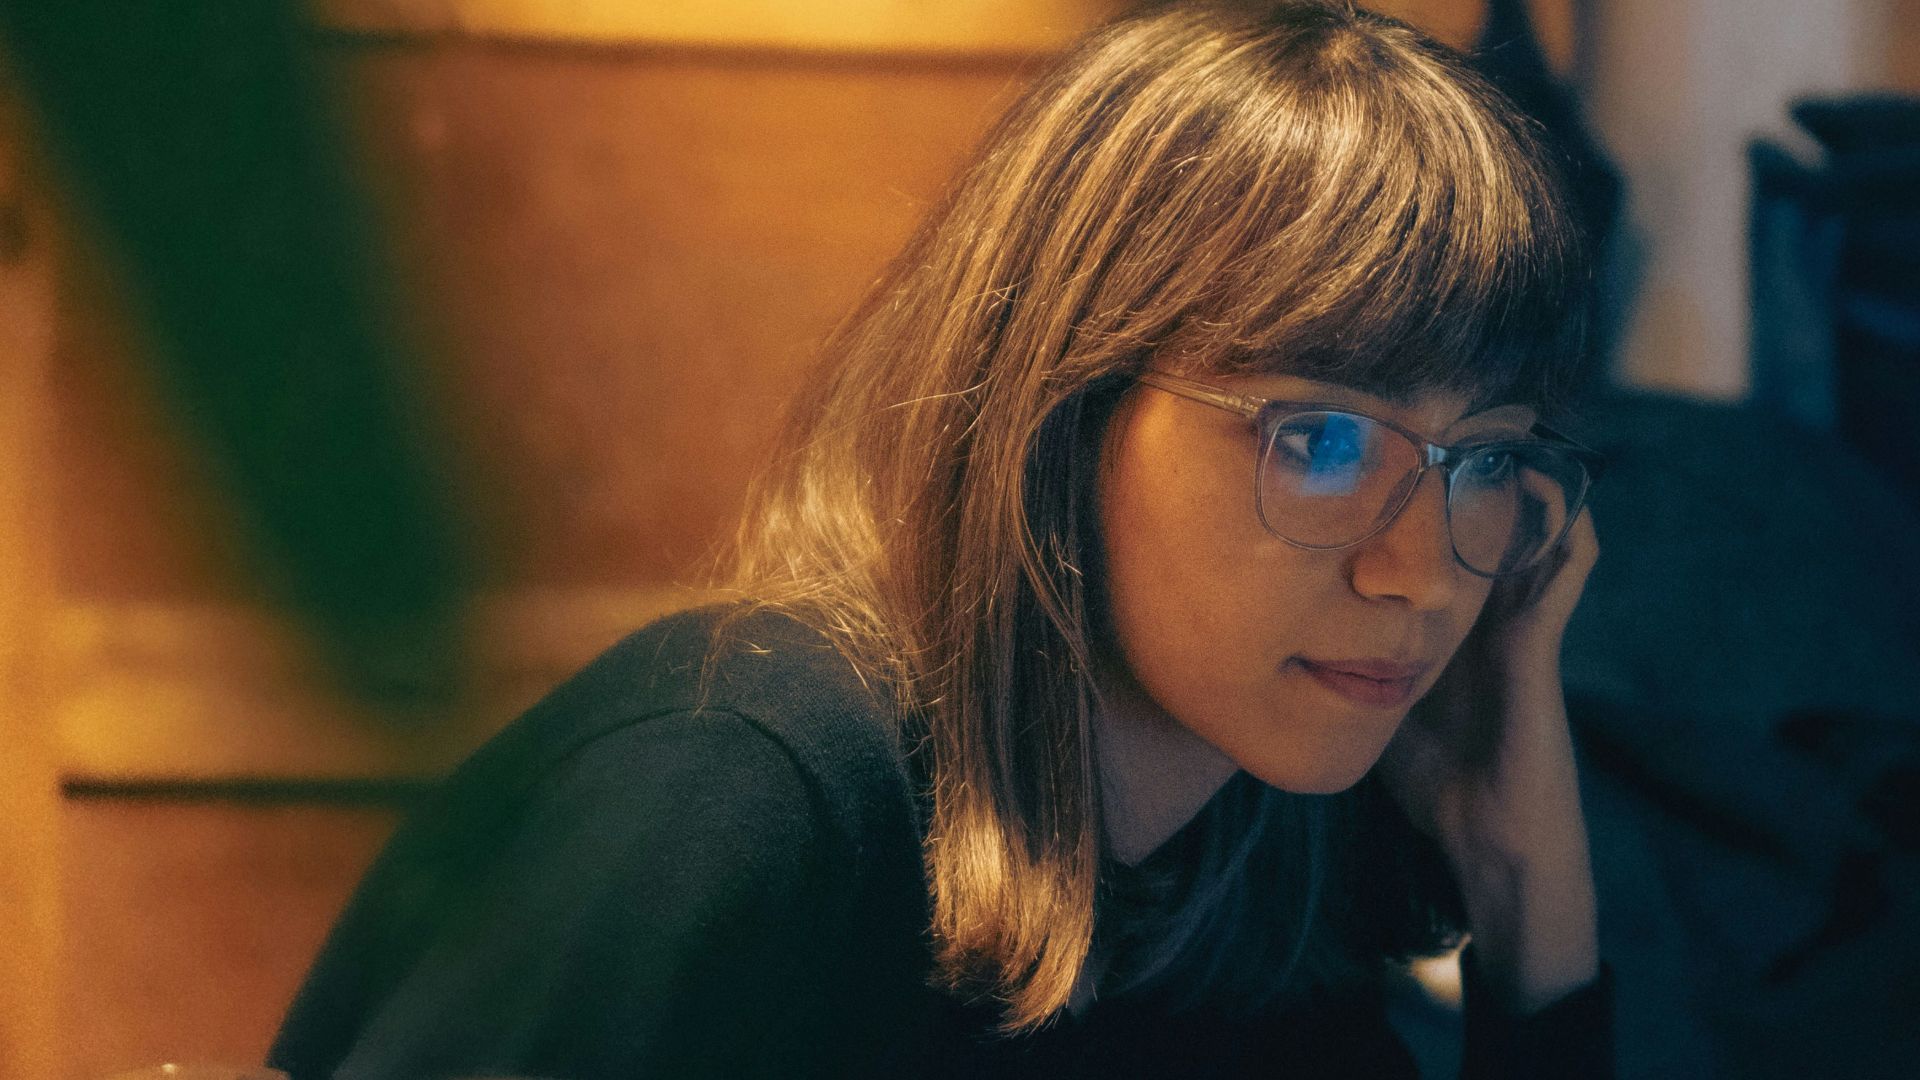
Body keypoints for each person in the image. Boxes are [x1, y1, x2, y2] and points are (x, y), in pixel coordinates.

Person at [269, 2, 1614, 1076]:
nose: (1424, 568)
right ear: (1065, 410)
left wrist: (1519, 874)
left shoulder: (1244, 858)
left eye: (1483, 457)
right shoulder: (743, 791)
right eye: (1314, 441)